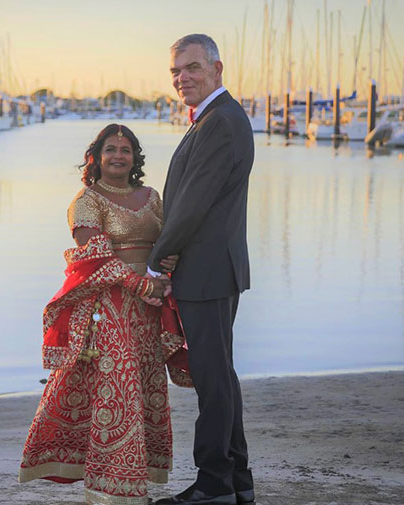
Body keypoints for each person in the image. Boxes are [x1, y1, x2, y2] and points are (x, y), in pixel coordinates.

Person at [19, 123, 192, 505]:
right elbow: (95, 257)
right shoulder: (87, 200)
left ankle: (137, 480)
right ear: (95, 158)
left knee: (145, 387)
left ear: (135, 157)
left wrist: (167, 263)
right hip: (108, 307)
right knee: (118, 392)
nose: (118, 155)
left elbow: (165, 241)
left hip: (149, 311)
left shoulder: (151, 197)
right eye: (110, 149)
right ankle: (111, 492)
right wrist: (141, 287)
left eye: (125, 149)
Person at [149, 34, 255, 505]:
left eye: (191, 67)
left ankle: (214, 482)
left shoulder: (220, 121)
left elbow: (192, 204)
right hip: (213, 268)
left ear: (217, 68)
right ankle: (237, 479)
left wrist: (158, 259)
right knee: (220, 375)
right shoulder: (216, 118)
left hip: (207, 271)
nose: (182, 78)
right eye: (175, 71)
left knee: (213, 380)